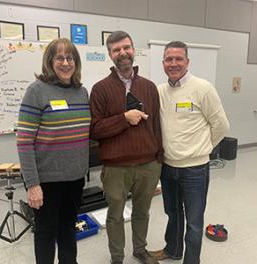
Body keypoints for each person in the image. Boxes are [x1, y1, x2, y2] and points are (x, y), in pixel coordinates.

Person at [150, 41, 229, 264]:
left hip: (195, 169)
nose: (173, 63)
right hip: (168, 167)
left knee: (194, 222)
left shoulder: (203, 88)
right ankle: (173, 250)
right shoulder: (160, 91)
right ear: (163, 62)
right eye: (169, 59)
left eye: (178, 59)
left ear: (187, 62)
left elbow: (221, 126)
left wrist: (201, 149)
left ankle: (191, 261)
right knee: (173, 214)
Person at [89, 31, 163, 264]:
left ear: (133, 50)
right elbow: (94, 130)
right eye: (116, 50)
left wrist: (159, 159)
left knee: (143, 212)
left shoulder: (150, 87)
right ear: (110, 55)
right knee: (115, 216)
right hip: (116, 169)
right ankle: (117, 257)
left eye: (126, 48)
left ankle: (140, 250)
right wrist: (124, 118)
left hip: (148, 166)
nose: (122, 53)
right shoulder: (100, 89)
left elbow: (157, 126)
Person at [17, 38, 90, 264]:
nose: (66, 63)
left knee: (69, 227)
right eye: (59, 57)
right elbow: (24, 141)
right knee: (46, 233)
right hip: (47, 181)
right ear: (50, 61)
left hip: (75, 178)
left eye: (70, 58)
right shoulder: (36, 91)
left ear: (76, 62)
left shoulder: (82, 92)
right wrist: (32, 184)